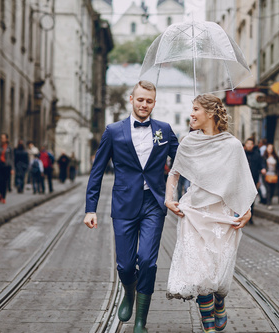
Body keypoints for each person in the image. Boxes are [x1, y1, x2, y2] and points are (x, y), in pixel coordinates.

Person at [84, 80, 178, 330]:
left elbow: (183, 162)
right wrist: (90, 208)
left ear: (154, 103)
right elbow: (97, 171)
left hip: (153, 205)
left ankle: (140, 322)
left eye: (149, 101)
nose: (144, 104)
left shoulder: (164, 130)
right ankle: (129, 291)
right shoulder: (114, 131)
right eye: (140, 100)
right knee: (125, 265)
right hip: (124, 204)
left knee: (147, 261)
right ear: (131, 99)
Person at [164, 94, 256, 333]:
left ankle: (220, 299)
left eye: (195, 109)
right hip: (193, 214)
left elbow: (242, 181)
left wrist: (247, 210)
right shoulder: (188, 142)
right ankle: (208, 328)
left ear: (211, 113)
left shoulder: (233, 145)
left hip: (222, 216)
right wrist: (169, 199)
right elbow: (174, 173)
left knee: (218, 273)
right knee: (200, 274)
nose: (191, 114)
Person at [244, 138, 264, 225]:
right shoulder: (242, 154)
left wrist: (263, 169)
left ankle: (250, 217)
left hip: (253, 180)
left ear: (253, 145)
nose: (249, 145)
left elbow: (261, 164)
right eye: (247, 144)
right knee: (243, 199)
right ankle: (242, 216)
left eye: (250, 144)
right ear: (245, 145)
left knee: (251, 200)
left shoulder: (257, 155)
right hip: (243, 180)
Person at [0, 133, 15, 204]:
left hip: (6, 167)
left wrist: (12, 168)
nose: (2, 139)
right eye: (1, 138)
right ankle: (1, 193)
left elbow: (12, 159)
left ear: (6, 139)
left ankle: (3, 197)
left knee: (5, 182)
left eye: (3, 138)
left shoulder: (9, 148)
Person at [262, 143, 279, 210]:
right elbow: (262, 165)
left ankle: (270, 200)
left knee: (273, 190)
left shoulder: (275, 157)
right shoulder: (264, 157)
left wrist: (278, 173)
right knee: (268, 189)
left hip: (274, 175)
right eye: (269, 148)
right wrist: (263, 169)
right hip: (267, 175)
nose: (270, 150)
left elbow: (278, 166)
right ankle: (268, 203)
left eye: (271, 148)